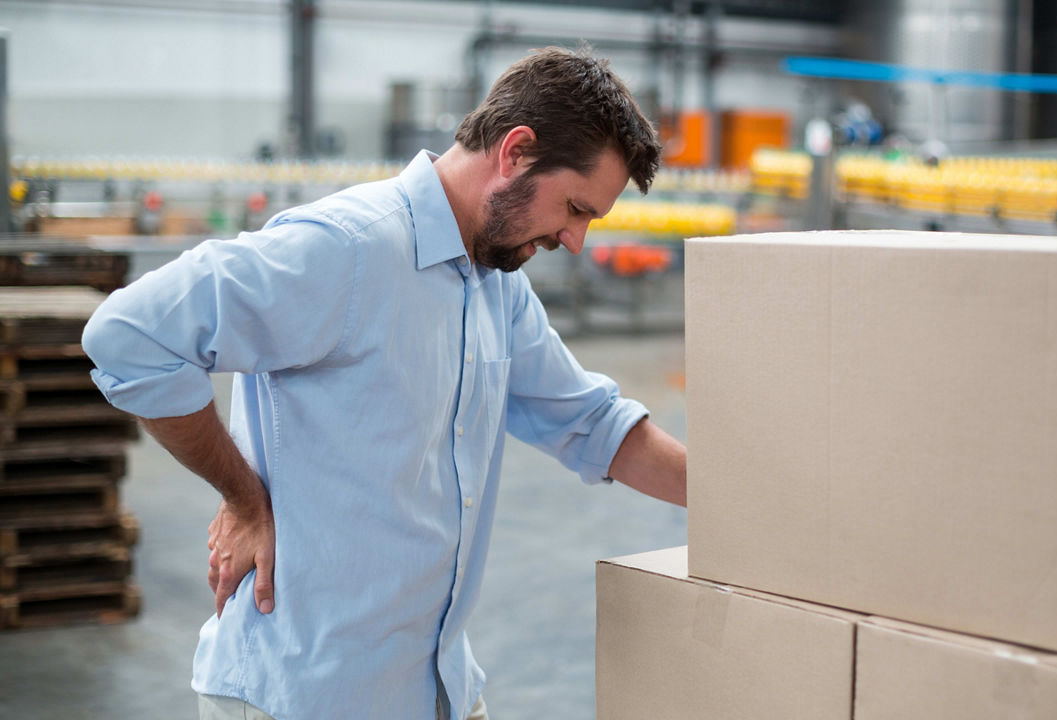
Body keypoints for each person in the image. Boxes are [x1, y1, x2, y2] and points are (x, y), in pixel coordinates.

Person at [81, 47, 686, 720]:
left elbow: (595, 426)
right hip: (308, 695)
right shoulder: (345, 250)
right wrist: (242, 496)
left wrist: (748, 507)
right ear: (516, 152)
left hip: (436, 686)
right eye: (575, 208)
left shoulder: (495, 287)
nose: (575, 241)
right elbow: (131, 334)